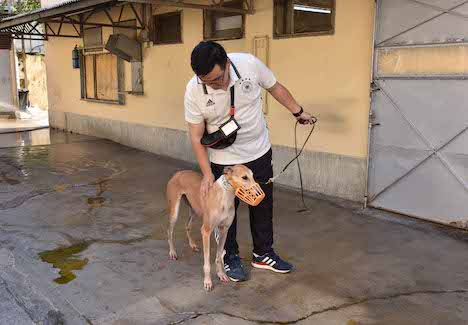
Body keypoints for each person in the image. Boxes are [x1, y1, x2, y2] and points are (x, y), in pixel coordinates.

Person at [184, 41, 314, 282]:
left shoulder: (249, 65)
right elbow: (195, 135)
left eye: (219, 78)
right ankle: (229, 255)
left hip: (258, 151)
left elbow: (275, 88)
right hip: (224, 161)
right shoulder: (194, 90)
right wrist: (207, 173)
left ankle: (263, 253)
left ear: (227, 63)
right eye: (208, 82)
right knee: (224, 211)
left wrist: (298, 112)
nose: (216, 85)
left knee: (262, 204)